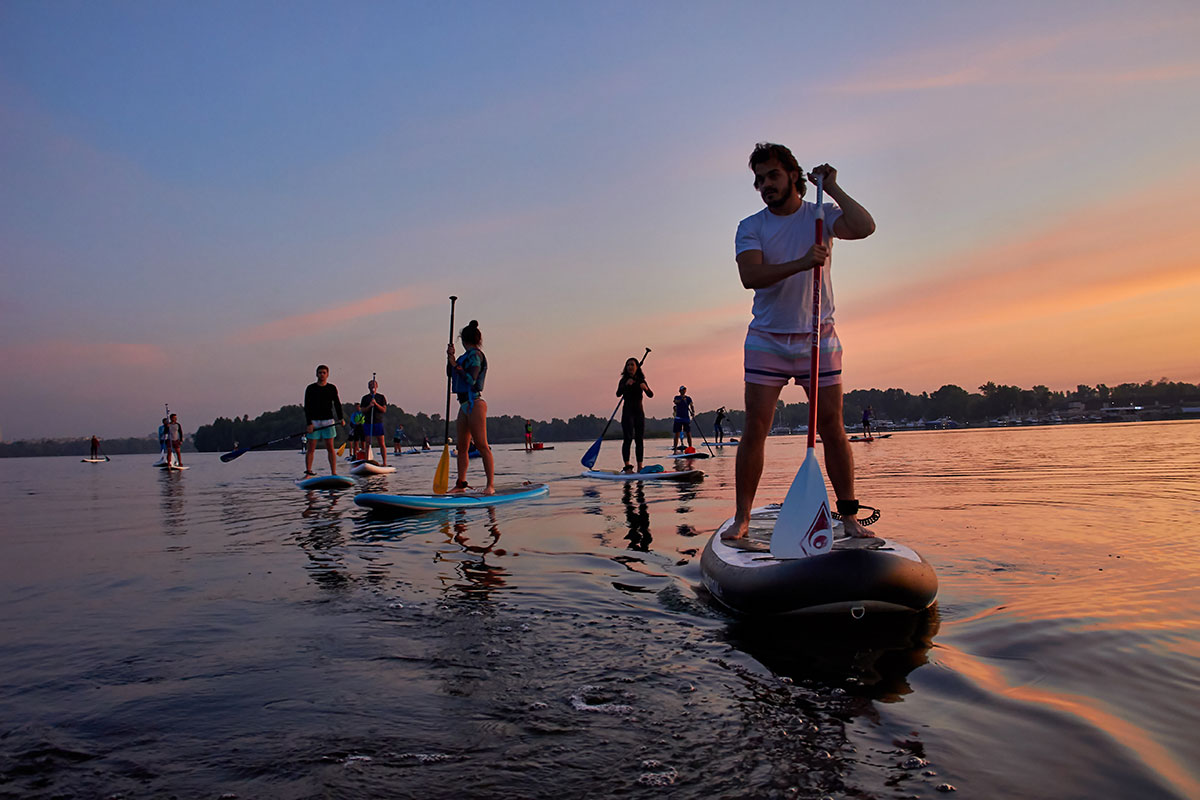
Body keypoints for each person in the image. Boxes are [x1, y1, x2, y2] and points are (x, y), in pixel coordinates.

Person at [726, 142, 876, 541]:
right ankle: (742, 517)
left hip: (819, 335)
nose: (764, 185)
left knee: (832, 426)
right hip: (767, 338)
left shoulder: (821, 215)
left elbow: (864, 227)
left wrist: (836, 188)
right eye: (759, 180)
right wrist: (803, 262)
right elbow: (751, 277)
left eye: (772, 176)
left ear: (793, 175)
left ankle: (848, 516)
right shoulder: (751, 226)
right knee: (755, 426)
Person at [447, 320, 494, 494]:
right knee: (462, 447)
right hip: (464, 404)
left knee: (481, 444)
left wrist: (455, 366)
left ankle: (490, 485)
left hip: (475, 403)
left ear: (463, 339)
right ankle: (461, 484)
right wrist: (450, 359)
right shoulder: (463, 357)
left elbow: (471, 379)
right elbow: (449, 374)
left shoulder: (476, 355)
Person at [304, 364, 346, 476]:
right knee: (311, 448)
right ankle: (308, 472)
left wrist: (341, 418)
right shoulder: (311, 388)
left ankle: (333, 472)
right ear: (316, 374)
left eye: (324, 373)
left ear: (327, 375)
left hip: (328, 421)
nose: (322, 375)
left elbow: (337, 404)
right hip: (314, 422)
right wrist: (309, 423)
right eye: (320, 373)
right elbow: (307, 407)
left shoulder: (331, 388)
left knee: (330, 447)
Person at [617, 357, 654, 472]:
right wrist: (626, 385)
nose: (630, 367)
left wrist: (646, 388)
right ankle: (627, 466)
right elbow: (618, 393)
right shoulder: (624, 380)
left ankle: (639, 466)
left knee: (639, 440)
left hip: (639, 413)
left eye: (632, 365)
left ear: (637, 367)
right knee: (628, 438)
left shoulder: (641, 380)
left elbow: (651, 394)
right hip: (628, 413)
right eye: (628, 365)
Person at [359, 379, 388, 466]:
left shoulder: (381, 397)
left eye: (374, 385)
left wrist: (376, 404)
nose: (372, 386)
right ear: (368, 387)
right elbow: (363, 410)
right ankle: (367, 461)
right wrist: (369, 406)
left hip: (378, 422)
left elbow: (383, 410)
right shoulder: (365, 398)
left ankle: (384, 463)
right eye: (371, 385)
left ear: (376, 386)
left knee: (381, 443)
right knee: (368, 443)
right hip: (368, 422)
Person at [672, 386, 695, 451]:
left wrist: (693, 412)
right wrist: (682, 399)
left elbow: (691, 405)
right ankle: (675, 449)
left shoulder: (688, 398)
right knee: (677, 433)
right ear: (680, 391)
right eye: (682, 390)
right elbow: (676, 402)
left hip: (686, 418)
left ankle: (690, 448)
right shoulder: (677, 397)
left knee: (688, 433)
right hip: (678, 418)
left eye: (684, 390)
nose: (683, 391)